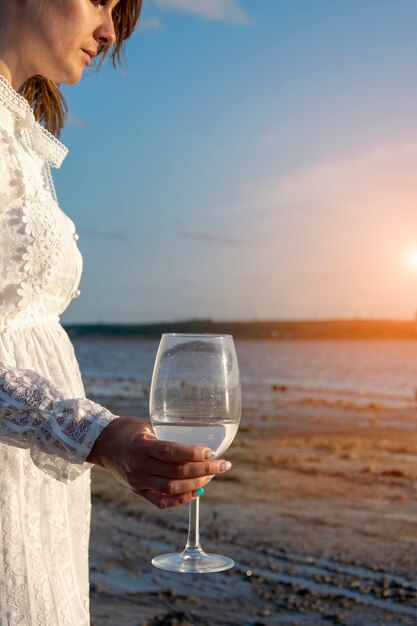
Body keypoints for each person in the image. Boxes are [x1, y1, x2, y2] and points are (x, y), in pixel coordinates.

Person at [0, 1, 232, 624]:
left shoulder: (21, 136)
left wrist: (92, 440)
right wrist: (97, 434)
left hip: (32, 477)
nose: (108, 31)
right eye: (99, 0)